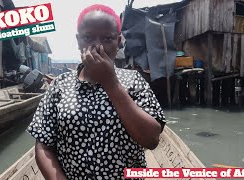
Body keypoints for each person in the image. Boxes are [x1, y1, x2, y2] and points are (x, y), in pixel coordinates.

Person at [27, 4, 166, 180]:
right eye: (88, 38)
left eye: (108, 38)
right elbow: (43, 146)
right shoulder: (59, 85)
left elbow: (151, 140)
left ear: (119, 41)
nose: (98, 46)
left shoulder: (134, 81)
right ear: (78, 41)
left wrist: (111, 83)